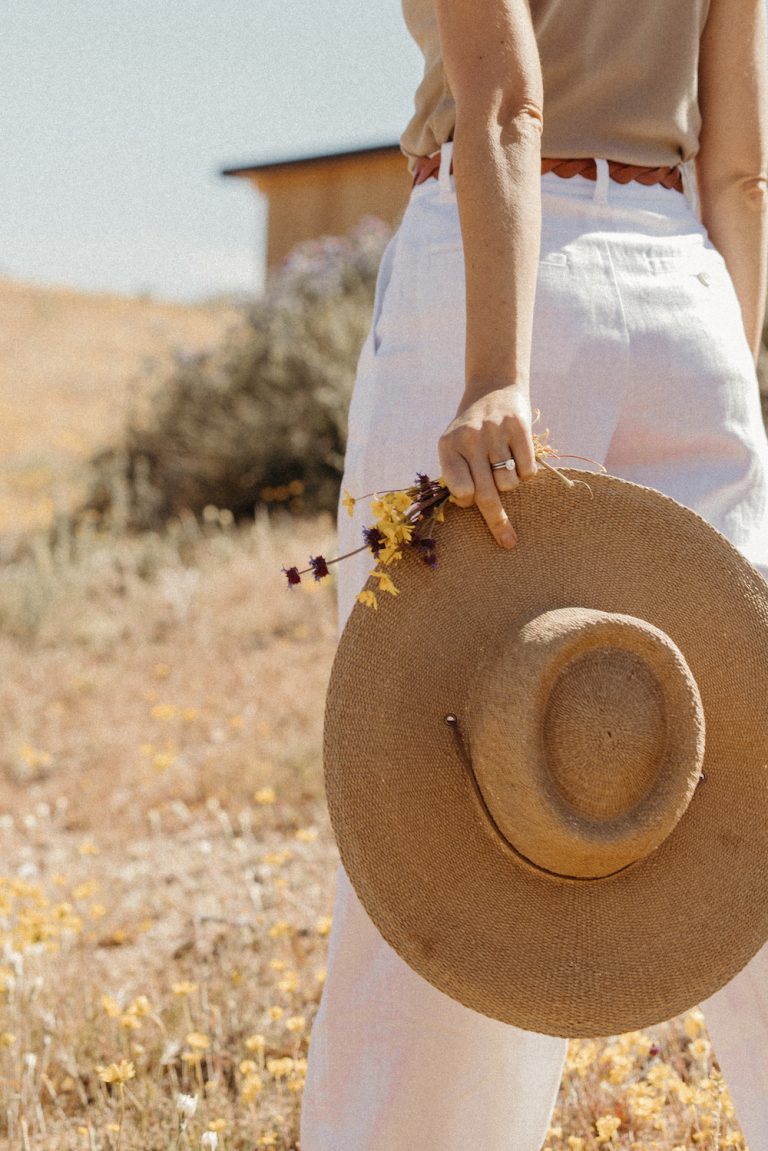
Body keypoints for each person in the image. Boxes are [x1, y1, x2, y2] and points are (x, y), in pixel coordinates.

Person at [299, 1, 768, 1148]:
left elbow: (503, 97)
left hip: (491, 262)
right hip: (686, 289)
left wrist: (496, 374)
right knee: (751, 775)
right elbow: (745, 169)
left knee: (436, 786)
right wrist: (726, 368)